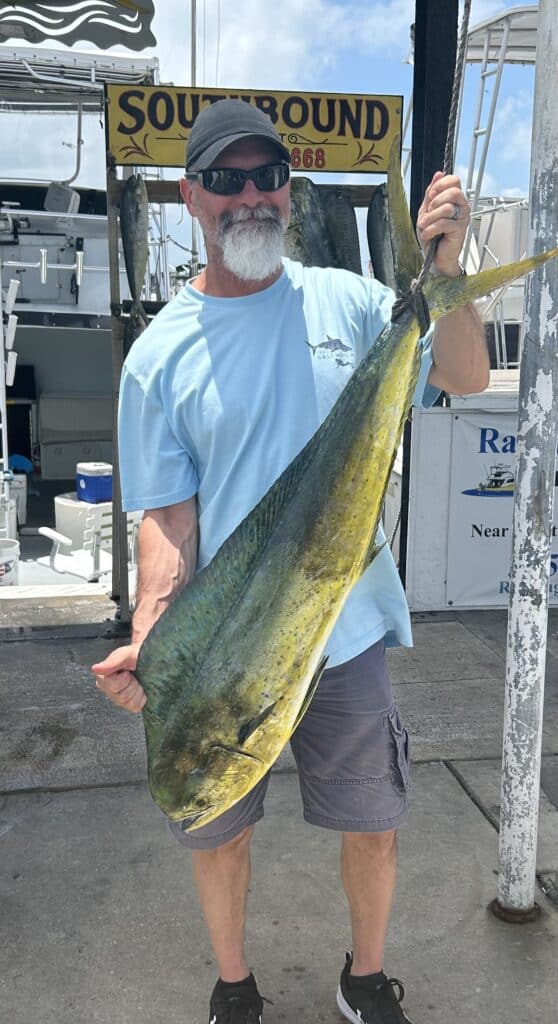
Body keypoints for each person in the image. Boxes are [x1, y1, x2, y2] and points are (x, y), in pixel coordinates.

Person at [93, 98, 489, 1024]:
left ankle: (365, 978)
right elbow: (168, 521)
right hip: (230, 651)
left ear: (288, 190)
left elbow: (467, 376)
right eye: (226, 181)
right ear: (191, 196)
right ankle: (235, 987)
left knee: (375, 826)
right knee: (216, 828)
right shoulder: (156, 359)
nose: (251, 197)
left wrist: (450, 269)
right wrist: (154, 628)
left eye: (267, 177)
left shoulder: (349, 302)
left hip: (342, 633)